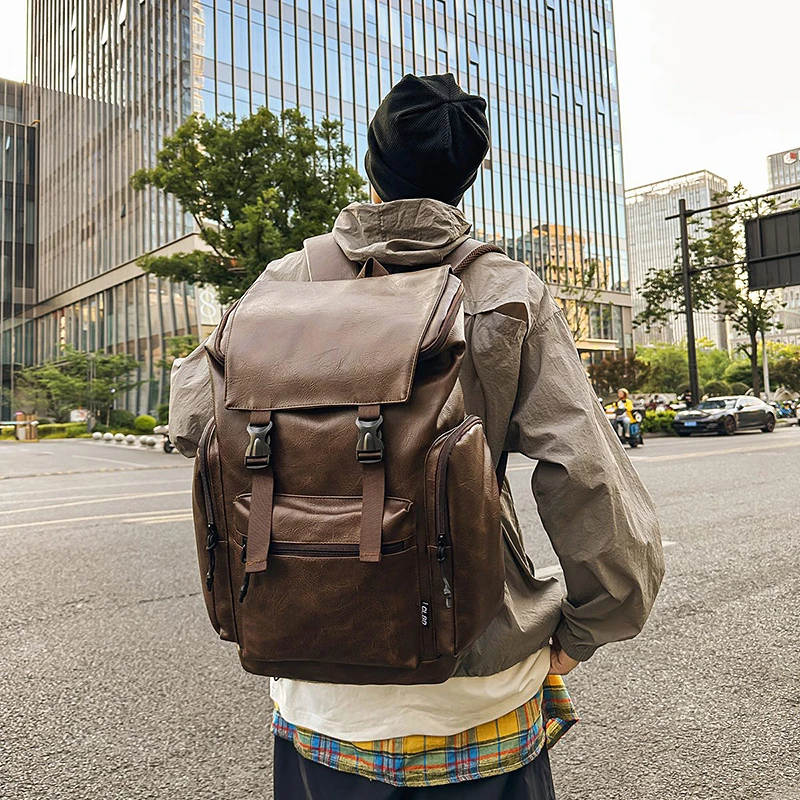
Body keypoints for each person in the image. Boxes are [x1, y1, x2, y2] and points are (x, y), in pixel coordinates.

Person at [169, 74, 664, 799]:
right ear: (468, 177)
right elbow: (585, 474)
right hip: (478, 677)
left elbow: (191, 419)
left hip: (318, 688)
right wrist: (587, 628)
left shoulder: (288, 279)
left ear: (373, 168)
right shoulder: (504, 290)